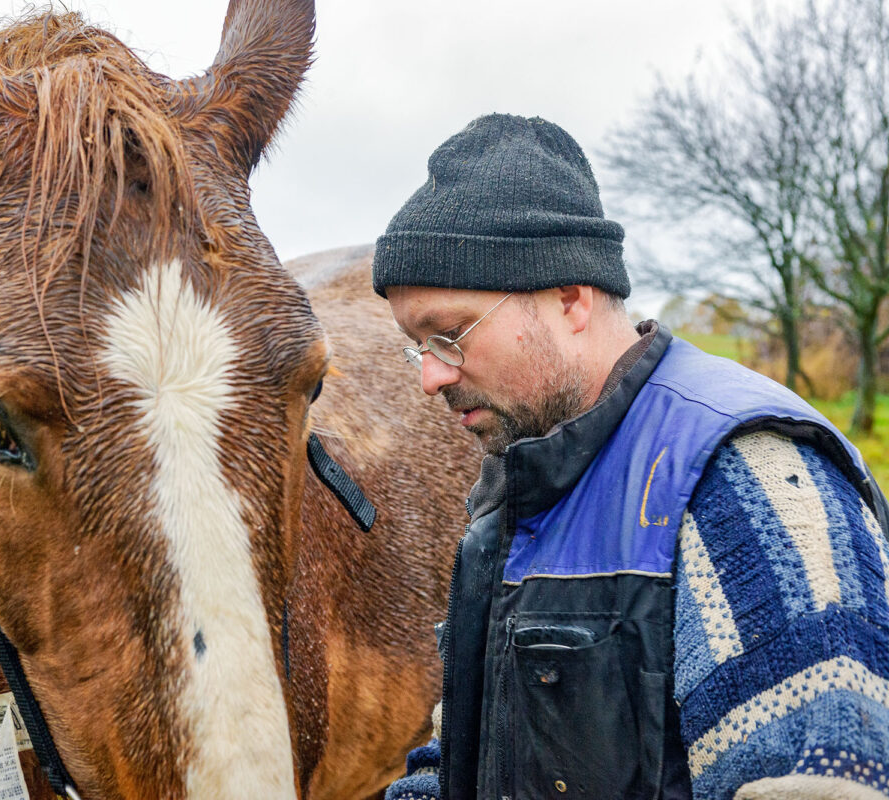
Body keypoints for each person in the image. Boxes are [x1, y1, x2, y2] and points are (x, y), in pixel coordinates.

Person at [374, 113, 889, 800]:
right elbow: (466, 752)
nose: (429, 376)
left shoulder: (748, 479)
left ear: (569, 298)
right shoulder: (520, 486)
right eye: (418, 346)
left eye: (449, 334)